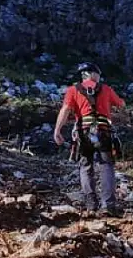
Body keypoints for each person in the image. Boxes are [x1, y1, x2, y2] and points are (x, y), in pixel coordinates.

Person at [53, 62, 125, 215]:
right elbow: (121, 104)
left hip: (82, 132)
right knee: (106, 166)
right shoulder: (106, 89)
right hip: (103, 131)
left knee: (86, 166)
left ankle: (91, 204)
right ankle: (108, 205)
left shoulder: (73, 90)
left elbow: (65, 110)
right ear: (94, 74)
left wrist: (57, 131)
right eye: (98, 75)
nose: (99, 78)